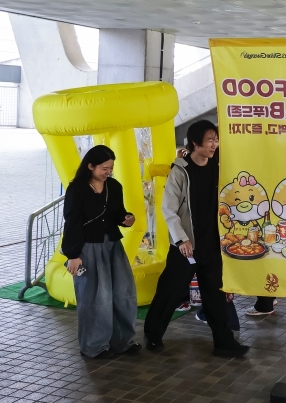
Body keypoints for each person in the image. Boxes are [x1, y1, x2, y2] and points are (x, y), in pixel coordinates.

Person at [145, 121, 249, 356]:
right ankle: (153, 335)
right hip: (187, 246)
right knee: (170, 292)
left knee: (216, 294)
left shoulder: (219, 166)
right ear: (195, 143)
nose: (214, 145)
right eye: (210, 140)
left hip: (213, 245)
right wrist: (181, 240)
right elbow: (169, 209)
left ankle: (223, 342)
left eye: (216, 140)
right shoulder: (181, 171)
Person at [61, 145, 139, 359]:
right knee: (95, 297)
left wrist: (126, 218)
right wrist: (73, 255)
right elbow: (72, 222)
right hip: (88, 247)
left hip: (112, 244)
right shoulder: (77, 189)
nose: (108, 172)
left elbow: (118, 213)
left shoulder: (114, 186)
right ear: (90, 166)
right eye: (104, 168)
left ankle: (123, 341)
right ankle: (94, 346)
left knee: (123, 293)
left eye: (111, 168)